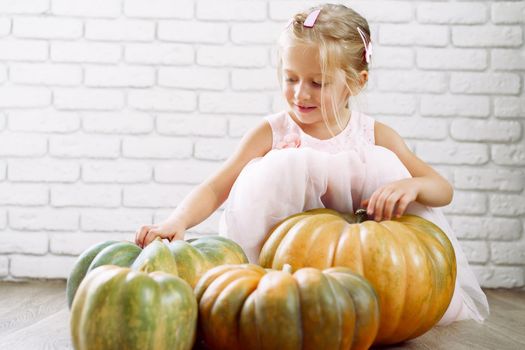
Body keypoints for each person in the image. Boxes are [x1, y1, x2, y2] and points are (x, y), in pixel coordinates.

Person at [135, 4, 488, 325]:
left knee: (388, 167)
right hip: (282, 281)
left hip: (362, 283)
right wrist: (177, 220)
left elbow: (442, 189)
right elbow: (215, 188)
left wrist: (411, 185)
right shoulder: (272, 132)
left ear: (356, 83)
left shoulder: (373, 135)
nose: (300, 94)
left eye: (318, 83)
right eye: (291, 78)